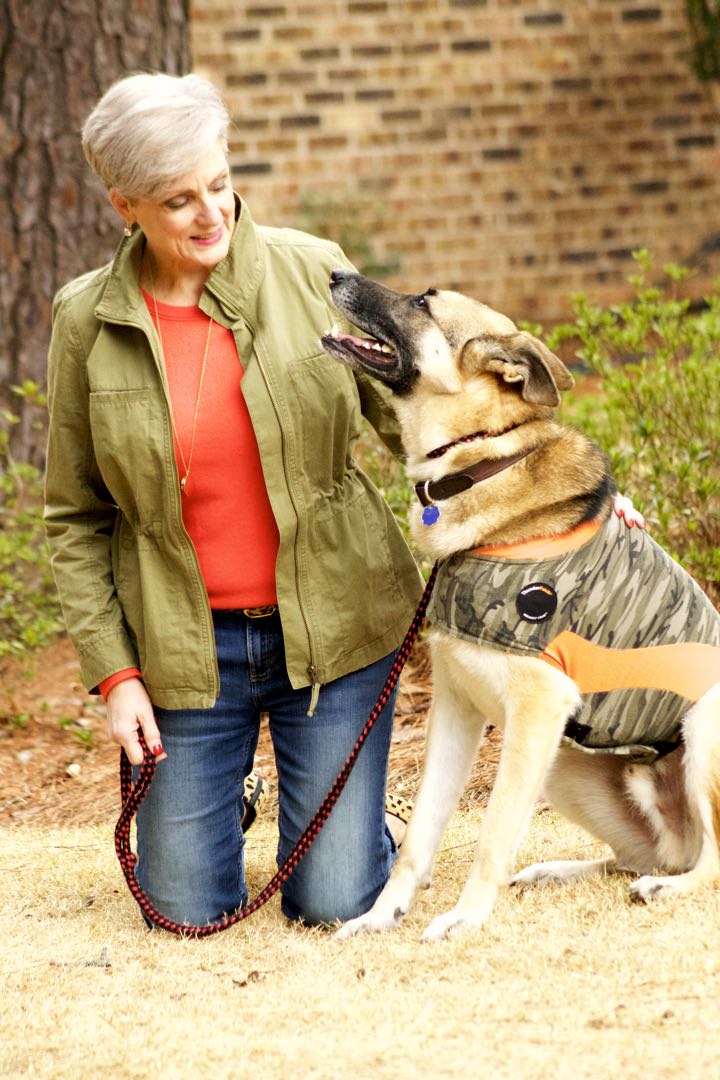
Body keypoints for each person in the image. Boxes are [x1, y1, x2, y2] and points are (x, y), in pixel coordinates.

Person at [45, 72, 644, 931]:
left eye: (219, 183)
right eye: (179, 201)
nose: (211, 213)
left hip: (335, 628)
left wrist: (579, 516)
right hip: (185, 651)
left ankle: (358, 823)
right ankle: (231, 790)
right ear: (124, 205)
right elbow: (74, 516)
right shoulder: (85, 321)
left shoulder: (310, 272)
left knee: (332, 901)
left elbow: (446, 430)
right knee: (180, 908)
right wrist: (116, 677)